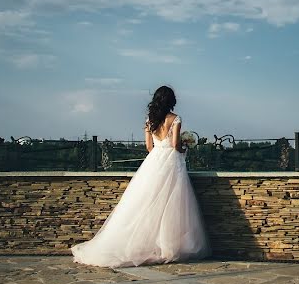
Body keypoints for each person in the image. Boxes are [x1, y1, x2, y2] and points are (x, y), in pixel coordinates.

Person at [71, 85, 211, 267]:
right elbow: (175, 144)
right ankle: (166, 245)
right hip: (171, 162)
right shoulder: (176, 119)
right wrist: (184, 148)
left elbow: (149, 147)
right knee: (171, 203)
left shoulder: (150, 120)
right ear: (171, 100)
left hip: (153, 162)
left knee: (146, 201)